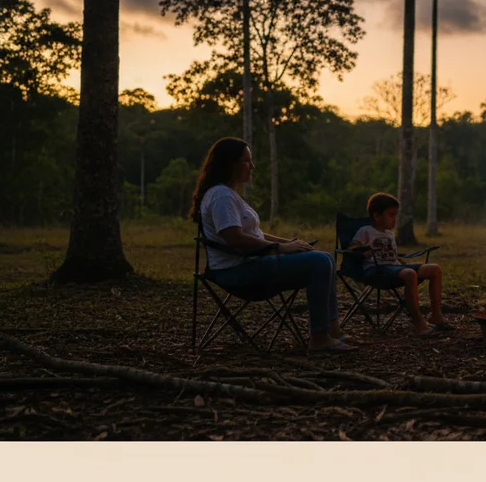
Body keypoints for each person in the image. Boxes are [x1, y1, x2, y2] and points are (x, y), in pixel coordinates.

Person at [191, 137, 351, 353]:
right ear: (231, 163)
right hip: (237, 271)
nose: (252, 166)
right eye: (247, 161)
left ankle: (332, 330)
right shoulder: (221, 196)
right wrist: (281, 249)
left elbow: (253, 233)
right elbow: (235, 238)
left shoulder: (228, 194)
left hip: (250, 264)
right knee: (320, 262)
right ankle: (319, 337)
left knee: (326, 259)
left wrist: (289, 242)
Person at [347, 192, 451, 337]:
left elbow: (392, 257)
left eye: (396, 215)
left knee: (435, 269)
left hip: (394, 267)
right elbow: (352, 247)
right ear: (377, 216)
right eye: (391, 215)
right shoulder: (366, 231)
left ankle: (436, 316)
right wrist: (362, 251)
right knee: (410, 274)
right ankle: (419, 324)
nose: (394, 219)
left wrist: (402, 263)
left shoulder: (389, 234)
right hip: (376, 270)